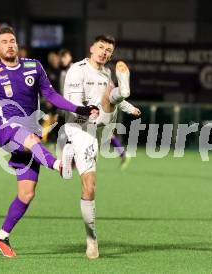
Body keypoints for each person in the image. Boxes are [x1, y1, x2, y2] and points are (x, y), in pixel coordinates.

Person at [0, 26, 99, 257]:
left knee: (26, 194)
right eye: (4, 42)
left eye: (12, 40)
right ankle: (59, 166)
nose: (10, 44)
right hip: (7, 130)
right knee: (30, 138)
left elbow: (51, 96)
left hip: (29, 134)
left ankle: (1, 237)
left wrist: (80, 109)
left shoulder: (34, 66)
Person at [62, 34, 137, 259]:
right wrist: (88, 110)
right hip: (81, 129)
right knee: (90, 188)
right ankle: (91, 239)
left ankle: (123, 91)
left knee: (112, 93)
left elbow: (110, 99)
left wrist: (127, 106)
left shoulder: (105, 73)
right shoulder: (78, 69)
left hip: (102, 127)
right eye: (102, 48)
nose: (105, 53)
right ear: (92, 48)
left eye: (109, 51)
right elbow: (73, 102)